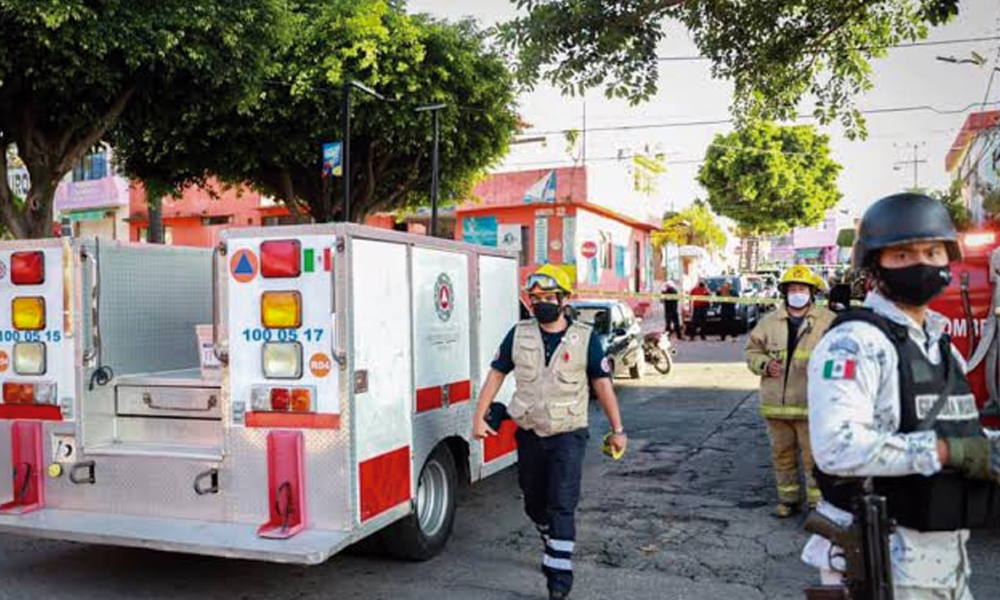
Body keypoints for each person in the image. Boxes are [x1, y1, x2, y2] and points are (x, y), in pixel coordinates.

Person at [804, 192, 1000, 599]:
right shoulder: (855, 342)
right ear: (875, 267)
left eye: (933, 252)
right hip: (883, 559)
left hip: (946, 560)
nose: (922, 264)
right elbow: (836, 448)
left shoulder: (941, 346)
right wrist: (946, 452)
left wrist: (987, 448)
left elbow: (961, 431)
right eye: (903, 255)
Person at [473, 264, 627, 600]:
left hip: (568, 435)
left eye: (547, 297)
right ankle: (550, 537)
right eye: (535, 297)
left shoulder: (585, 338)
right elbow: (496, 375)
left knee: (562, 503)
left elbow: (602, 385)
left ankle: (558, 576)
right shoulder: (519, 333)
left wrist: (618, 429)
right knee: (533, 502)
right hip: (529, 433)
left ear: (563, 299)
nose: (540, 303)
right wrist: (478, 415)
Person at [745, 265, 834, 517]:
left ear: (812, 292)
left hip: (811, 405)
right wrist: (763, 364)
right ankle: (788, 500)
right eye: (793, 289)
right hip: (776, 405)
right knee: (782, 456)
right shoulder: (769, 322)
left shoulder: (827, 321)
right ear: (784, 292)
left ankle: (818, 504)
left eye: (802, 288)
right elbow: (752, 351)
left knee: (813, 459)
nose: (797, 293)